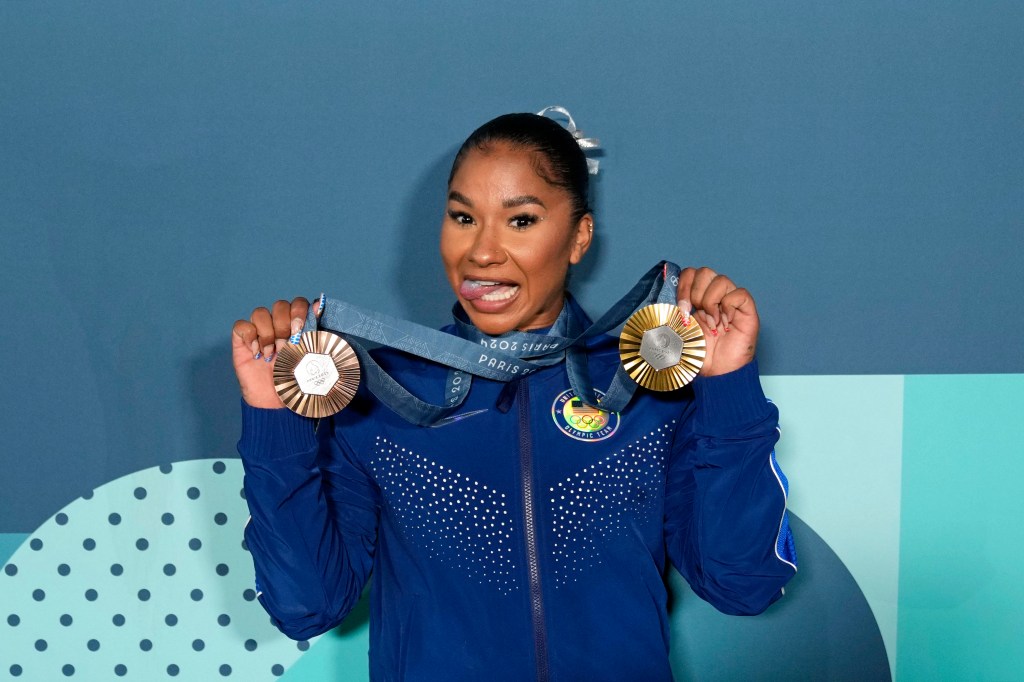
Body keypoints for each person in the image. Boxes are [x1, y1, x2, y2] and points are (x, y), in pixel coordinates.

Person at [232, 110, 797, 681]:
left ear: (579, 236)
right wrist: (274, 418)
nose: (482, 251)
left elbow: (743, 583)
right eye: (462, 217)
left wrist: (727, 385)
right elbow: (306, 606)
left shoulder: (647, 388)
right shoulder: (383, 395)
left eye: (521, 221)